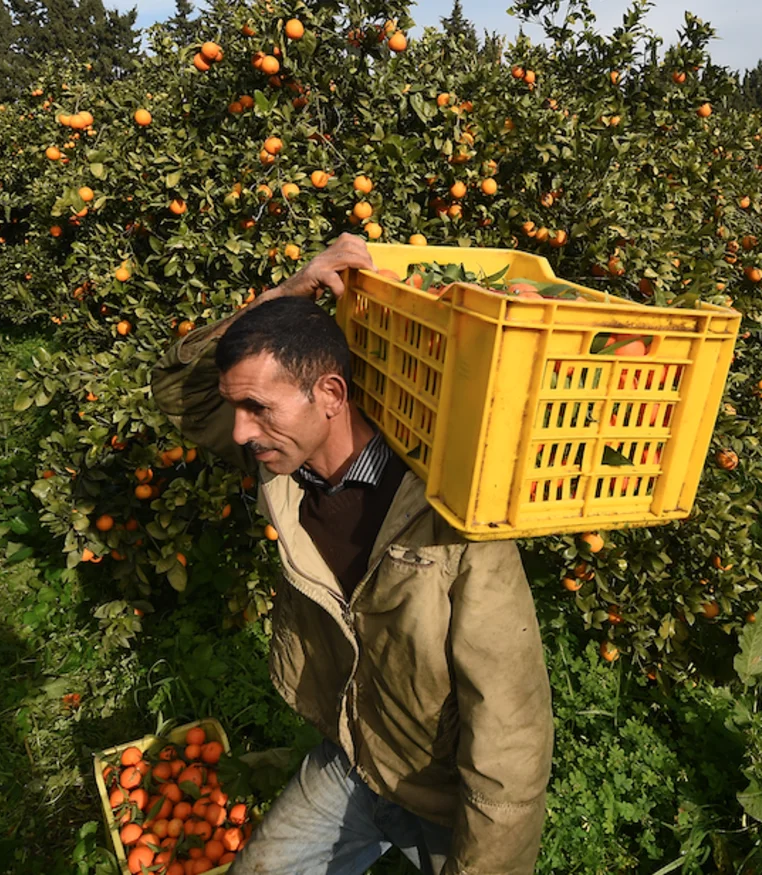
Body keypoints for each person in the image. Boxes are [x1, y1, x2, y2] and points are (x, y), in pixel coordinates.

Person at [150, 233, 553, 874]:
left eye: (257, 407)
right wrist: (285, 293)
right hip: (355, 756)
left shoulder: (451, 520)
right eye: (236, 409)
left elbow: (511, 740)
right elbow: (178, 390)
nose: (239, 432)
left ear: (331, 396)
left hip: (442, 792)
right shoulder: (283, 467)